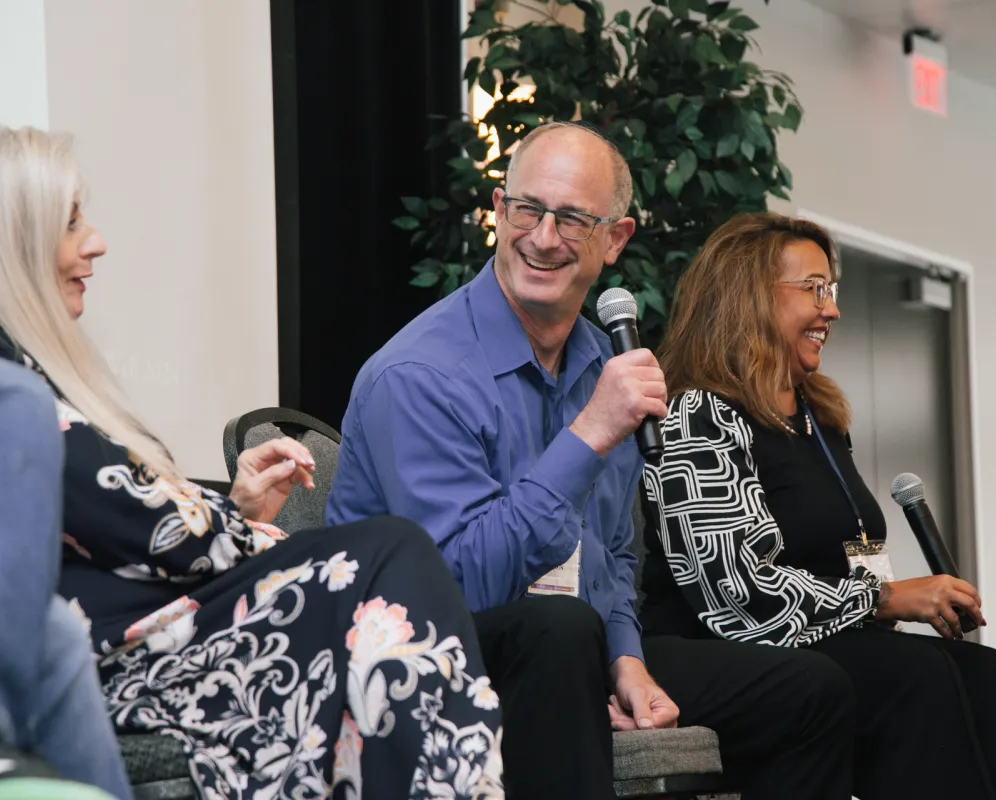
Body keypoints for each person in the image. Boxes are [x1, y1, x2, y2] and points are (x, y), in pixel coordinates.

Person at [0, 121, 504, 800]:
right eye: (71, 222)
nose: (96, 241)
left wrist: (236, 508)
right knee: (388, 554)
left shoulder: (23, 367)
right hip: (129, 654)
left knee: (417, 586)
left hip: (158, 631)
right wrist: (242, 528)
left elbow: (120, 519)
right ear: (9, 240)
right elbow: (147, 522)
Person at [328, 121, 859, 800]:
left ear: (615, 239)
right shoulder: (420, 374)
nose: (544, 237)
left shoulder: (602, 362)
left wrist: (627, 662)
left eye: (574, 219)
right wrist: (588, 435)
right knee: (557, 631)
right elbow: (460, 590)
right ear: (498, 212)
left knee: (810, 693)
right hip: (407, 657)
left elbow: (612, 556)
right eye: (528, 210)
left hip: (563, 648)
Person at [642, 212, 996, 799]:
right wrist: (885, 597)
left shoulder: (821, 420)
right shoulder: (698, 414)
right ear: (749, 297)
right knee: (916, 677)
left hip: (829, 636)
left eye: (832, 290)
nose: (832, 310)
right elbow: (737, 593)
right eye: (814, 289)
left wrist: (879, 604)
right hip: (721, 647)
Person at [0, 354, 130, 800]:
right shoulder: (11, 372)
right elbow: (155, 533)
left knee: (55, 631)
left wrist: (238, 515)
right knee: (9, 392)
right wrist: (241, 529)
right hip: (150, 608)